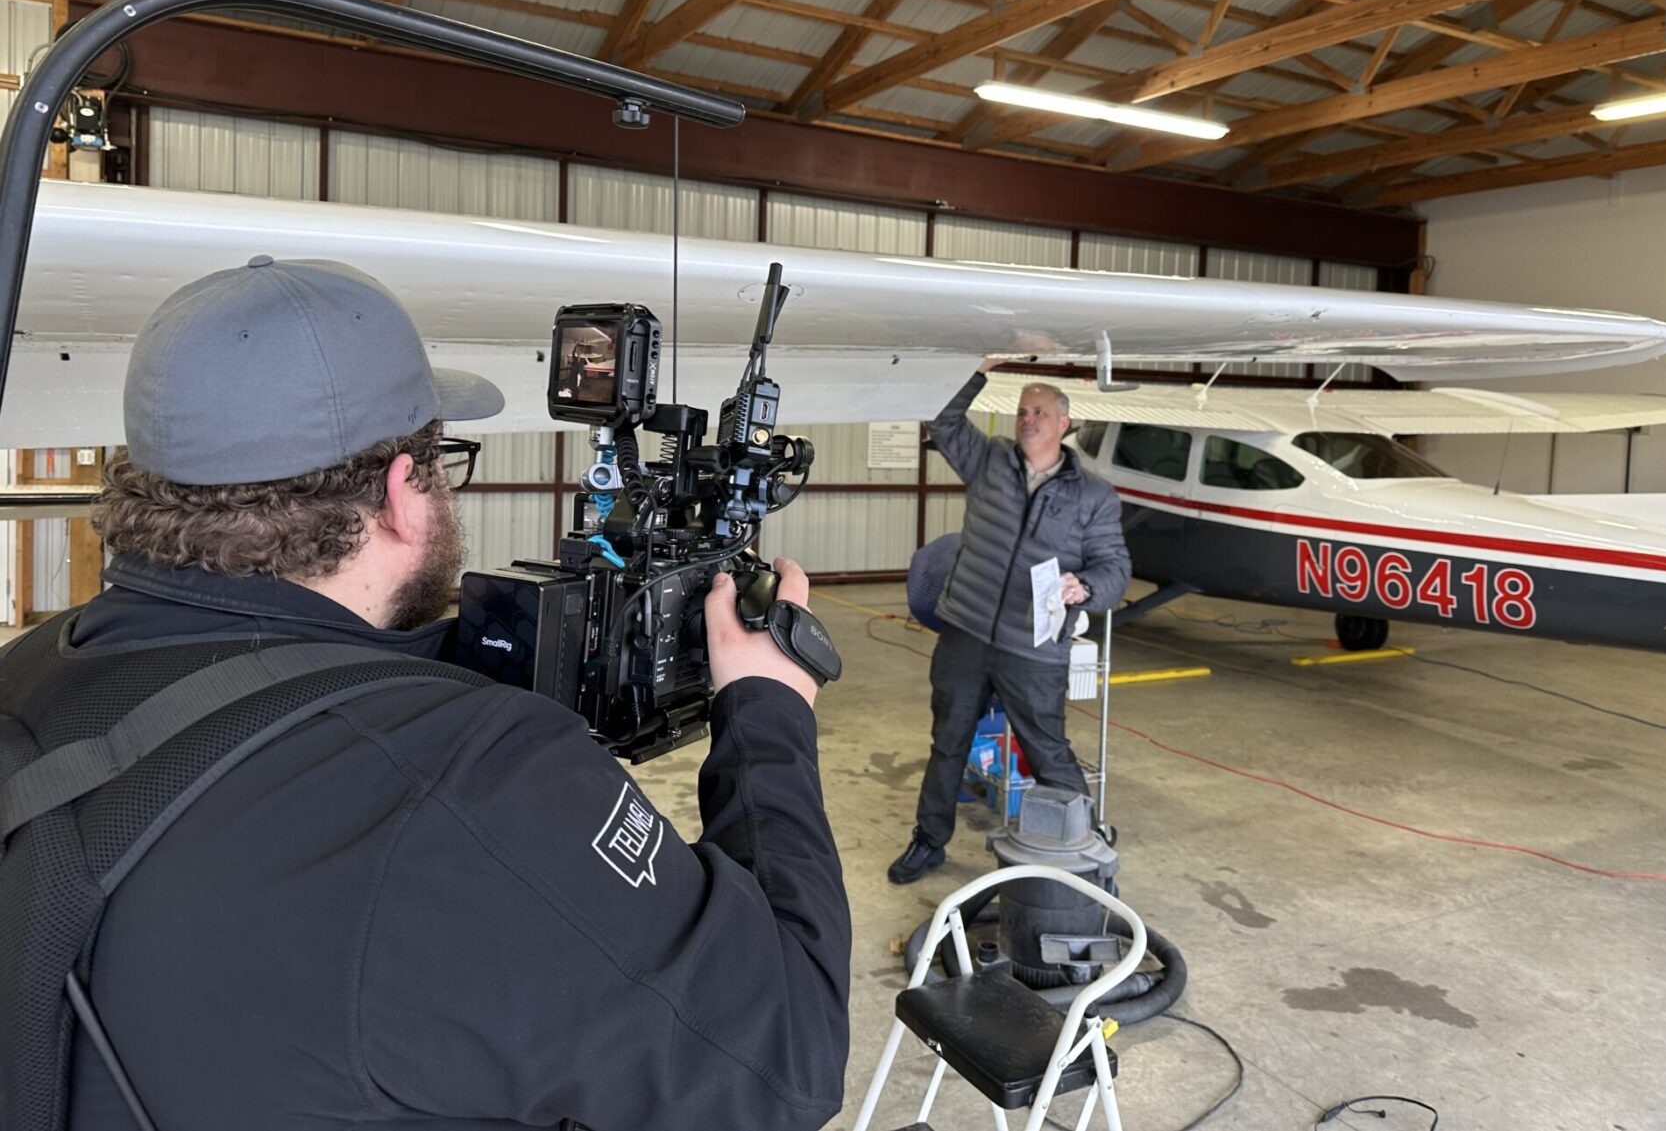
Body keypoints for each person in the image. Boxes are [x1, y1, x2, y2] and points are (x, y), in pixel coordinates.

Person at [0, 257, 850, 1130]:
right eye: (444, 459)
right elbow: (786, 1057)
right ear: (408, 492)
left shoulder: (28, 674)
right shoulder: (474, 780)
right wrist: (767, 711)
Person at [889, 360, 1131, 885]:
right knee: (947, 742)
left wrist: (1084, 588)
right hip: (967, 634)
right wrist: (976, 373)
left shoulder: (1092, 495)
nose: (1028, 419)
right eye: (1022, 410)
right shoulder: (989, 460)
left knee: (1049, 752)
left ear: (1064, 423)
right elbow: (944, 421)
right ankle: (928, 842)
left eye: (1040, 411)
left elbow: (1116, 569)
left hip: (1035, 650)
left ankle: (1083, 848)